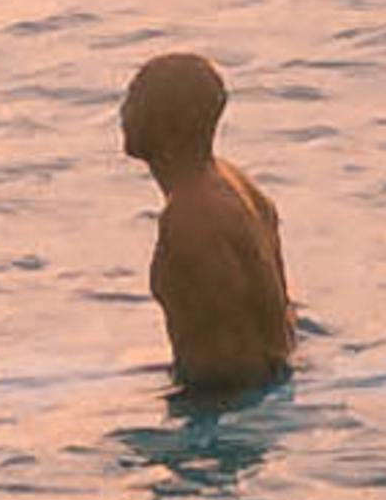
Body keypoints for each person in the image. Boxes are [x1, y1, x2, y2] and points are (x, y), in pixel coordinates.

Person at [119, 50, 298, 397]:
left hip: (225, 413)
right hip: (269, 387)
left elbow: (229, 360)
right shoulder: (232, 183)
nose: (123, 112)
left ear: (167, 123)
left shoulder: (190, 217)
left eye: (133, 100)